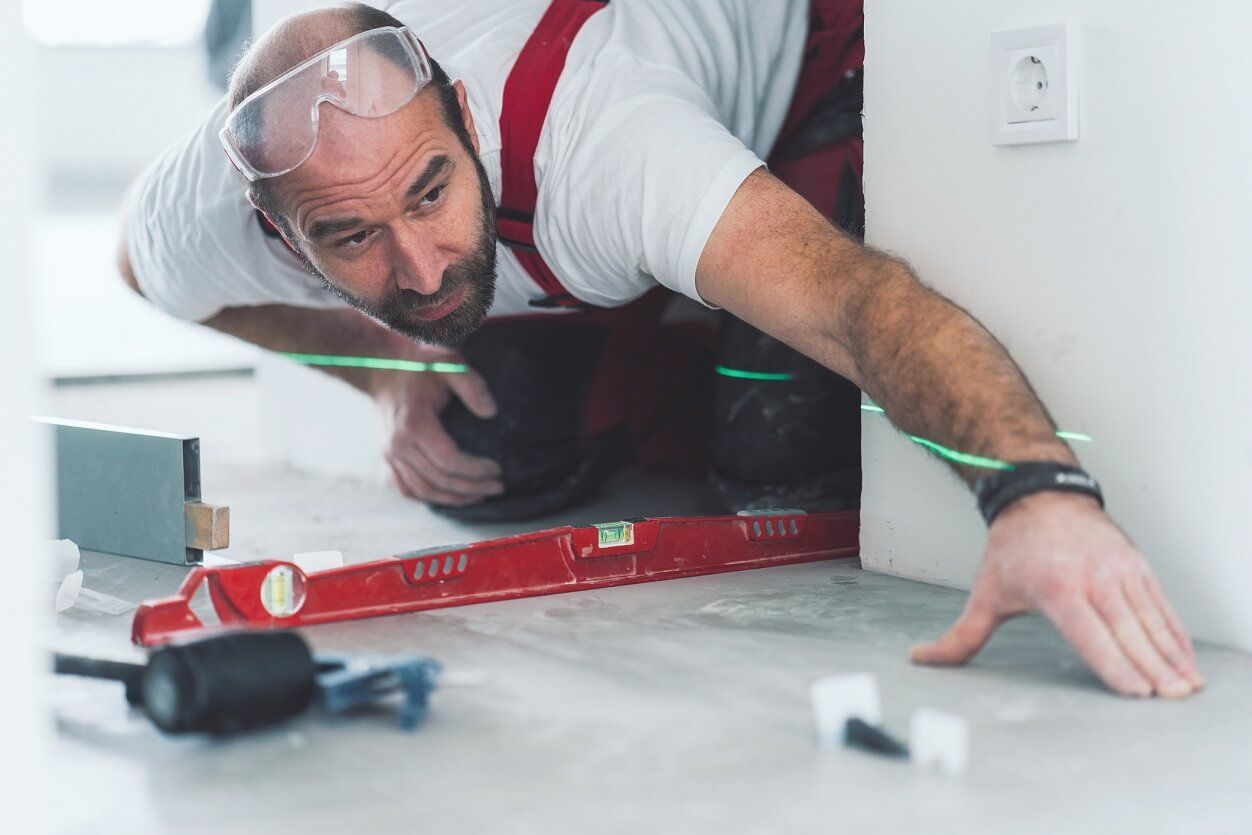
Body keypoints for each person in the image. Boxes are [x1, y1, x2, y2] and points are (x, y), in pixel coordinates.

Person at [117, 0, 1203, 699]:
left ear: (463, 112)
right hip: (575, 219)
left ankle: (709, 310)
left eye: (430, 190)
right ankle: (661, 319)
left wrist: (1038, 496)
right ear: (276, 233)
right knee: (506, 454)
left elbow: (856, 307)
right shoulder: (212, 205)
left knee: (778, 460)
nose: (416, 267)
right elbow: (139, 274)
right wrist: (378, 370)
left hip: (792, 59)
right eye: (352, 239)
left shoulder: (606, 140)